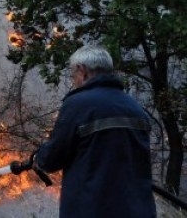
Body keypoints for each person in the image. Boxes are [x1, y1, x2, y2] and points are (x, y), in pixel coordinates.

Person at [33, 45, 156, 217]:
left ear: (82, 71)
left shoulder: (78, 104)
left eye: (72, 76)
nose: (74, 81)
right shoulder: (135, 108)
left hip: (92, 209)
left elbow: (52, 158)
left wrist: (38, 158)